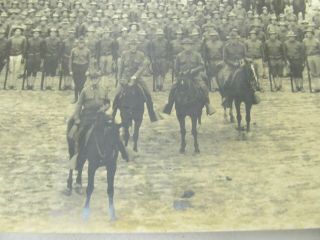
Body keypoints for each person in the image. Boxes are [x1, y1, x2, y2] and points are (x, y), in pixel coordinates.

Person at [68, 68, 111, 164]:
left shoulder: (104, 90)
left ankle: (122, 150)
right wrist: (77, 118)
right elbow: (79, 105)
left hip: (100, 115)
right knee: (81, 134)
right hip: (88, 116)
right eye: (92, 79)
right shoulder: (85, 90)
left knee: (114, 127)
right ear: (89, 80)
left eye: (96, 78)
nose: (94, 81)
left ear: (99, 79)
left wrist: (104, 108)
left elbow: (108, 102)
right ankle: (78, 155)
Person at [163, 38, 216, 115]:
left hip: (194, 76)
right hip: (182, 77)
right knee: (173, 87)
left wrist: (193, 71)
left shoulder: (197, 55)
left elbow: (201, 65)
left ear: (192, 46)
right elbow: (176, 68)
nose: (187, 47)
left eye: (189, 45)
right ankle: (169, 105)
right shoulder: (179, 56)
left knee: (203, 87)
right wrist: (180, 74)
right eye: (185, 45)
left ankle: (207, 105)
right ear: (183, 46)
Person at [113, 38, 159, 122]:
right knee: (117, 95)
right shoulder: (124, 54)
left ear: (137, 46)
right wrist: (119, 78)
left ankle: (152, 115)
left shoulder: (141, 55)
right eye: (131, 45)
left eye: (134, 45)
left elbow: (143, 66)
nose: (133, 47)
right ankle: (113, 114)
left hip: (137, 78)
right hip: (125, 77)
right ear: (129, 46)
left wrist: (135, 76)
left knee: (148, 94)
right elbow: (121, 67)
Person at [69, 37, 90, 103]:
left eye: (82, 43)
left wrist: (88, 70)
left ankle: (81, 99)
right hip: (76, 68)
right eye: (79, 43)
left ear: (84, 44)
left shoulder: (87, 50)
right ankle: (76, 98)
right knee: (76, 84)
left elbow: (89, 62)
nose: (81, 44)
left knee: (82, 84)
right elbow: (70, 61)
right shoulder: (73, 50)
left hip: (83, 68)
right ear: (77, 43)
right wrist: (70, 70)